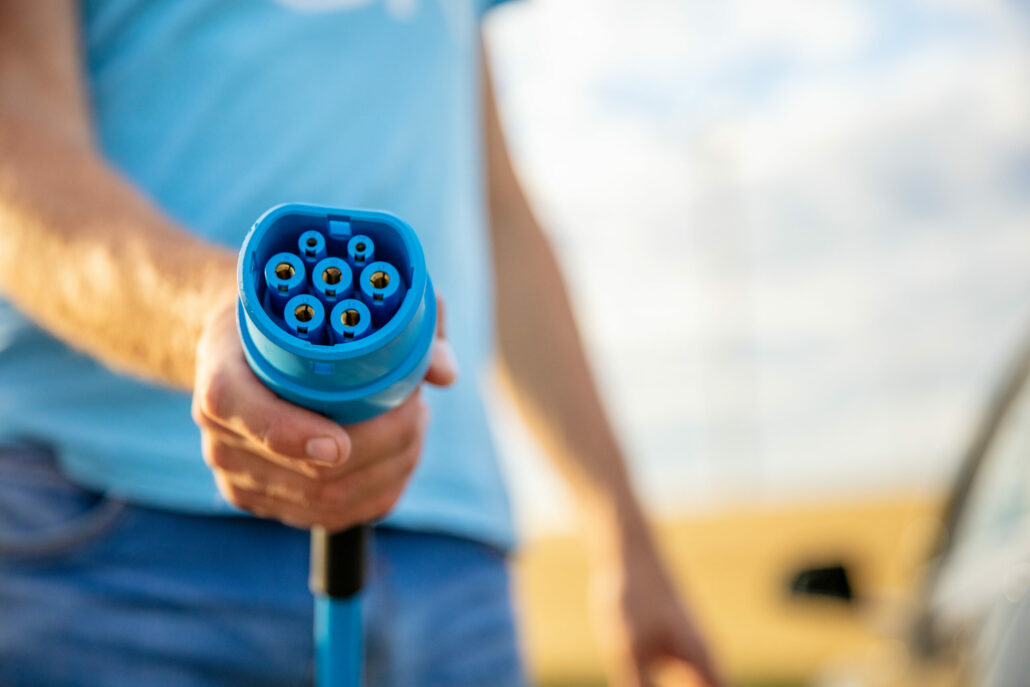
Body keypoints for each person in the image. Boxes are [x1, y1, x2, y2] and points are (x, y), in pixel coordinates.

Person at [0, 1, 721, 686]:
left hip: (452, 557)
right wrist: (222, 315)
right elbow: (17, 147)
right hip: (114, 541)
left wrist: (626, 537)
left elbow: (496, 206)